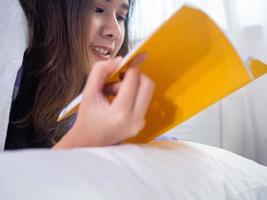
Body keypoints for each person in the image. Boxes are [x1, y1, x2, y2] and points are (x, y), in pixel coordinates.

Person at [5, 0, 154, 150]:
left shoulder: (94, 96)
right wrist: (84, 140)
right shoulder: (15, 62)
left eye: (121, 17)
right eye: (98, 9)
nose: (115, 31)